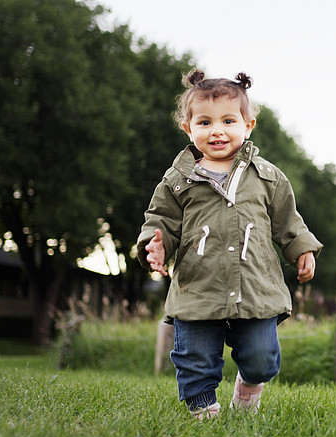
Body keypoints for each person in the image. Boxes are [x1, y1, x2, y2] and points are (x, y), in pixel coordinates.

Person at [136, 69, 323, 419]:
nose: (217, 130)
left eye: (228, 121)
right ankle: (204, 415)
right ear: (188, 129)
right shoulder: (177, 180)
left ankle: (247, 394)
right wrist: (156, 244)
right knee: (194, 357)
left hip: (255, 287)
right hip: (198, 287)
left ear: (248, 125)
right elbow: (160, 220)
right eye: (204, 122)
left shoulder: (268, 177)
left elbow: (287, 221)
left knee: (261, 356)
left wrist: (302, 249)